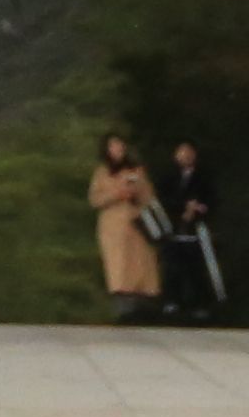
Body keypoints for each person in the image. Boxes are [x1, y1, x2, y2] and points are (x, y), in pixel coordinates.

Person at [89, 132, 164, 324]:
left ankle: (143, 309)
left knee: (140, 267)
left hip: (137, 225)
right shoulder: (102, 171)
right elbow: (95, 199)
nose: (117, 149)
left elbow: (149, 198)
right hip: (113, 228)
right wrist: (117, 193)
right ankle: (122, 310)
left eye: (120, 145)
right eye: (113, 146)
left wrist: (136, 190)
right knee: (118, 269)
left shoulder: (137, 170)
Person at [157, 139, 227, 323]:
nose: (186, 155)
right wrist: (183, 207)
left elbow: (212, 200)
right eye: (182, 151)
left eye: (189, 152)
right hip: (173, 227)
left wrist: (198, 208)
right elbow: (162, 201)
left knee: (196, 269)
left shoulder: (204, 176)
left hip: (197, 230)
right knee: (172, 268)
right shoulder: (168, 177)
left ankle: (200, 305)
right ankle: (171, 302)